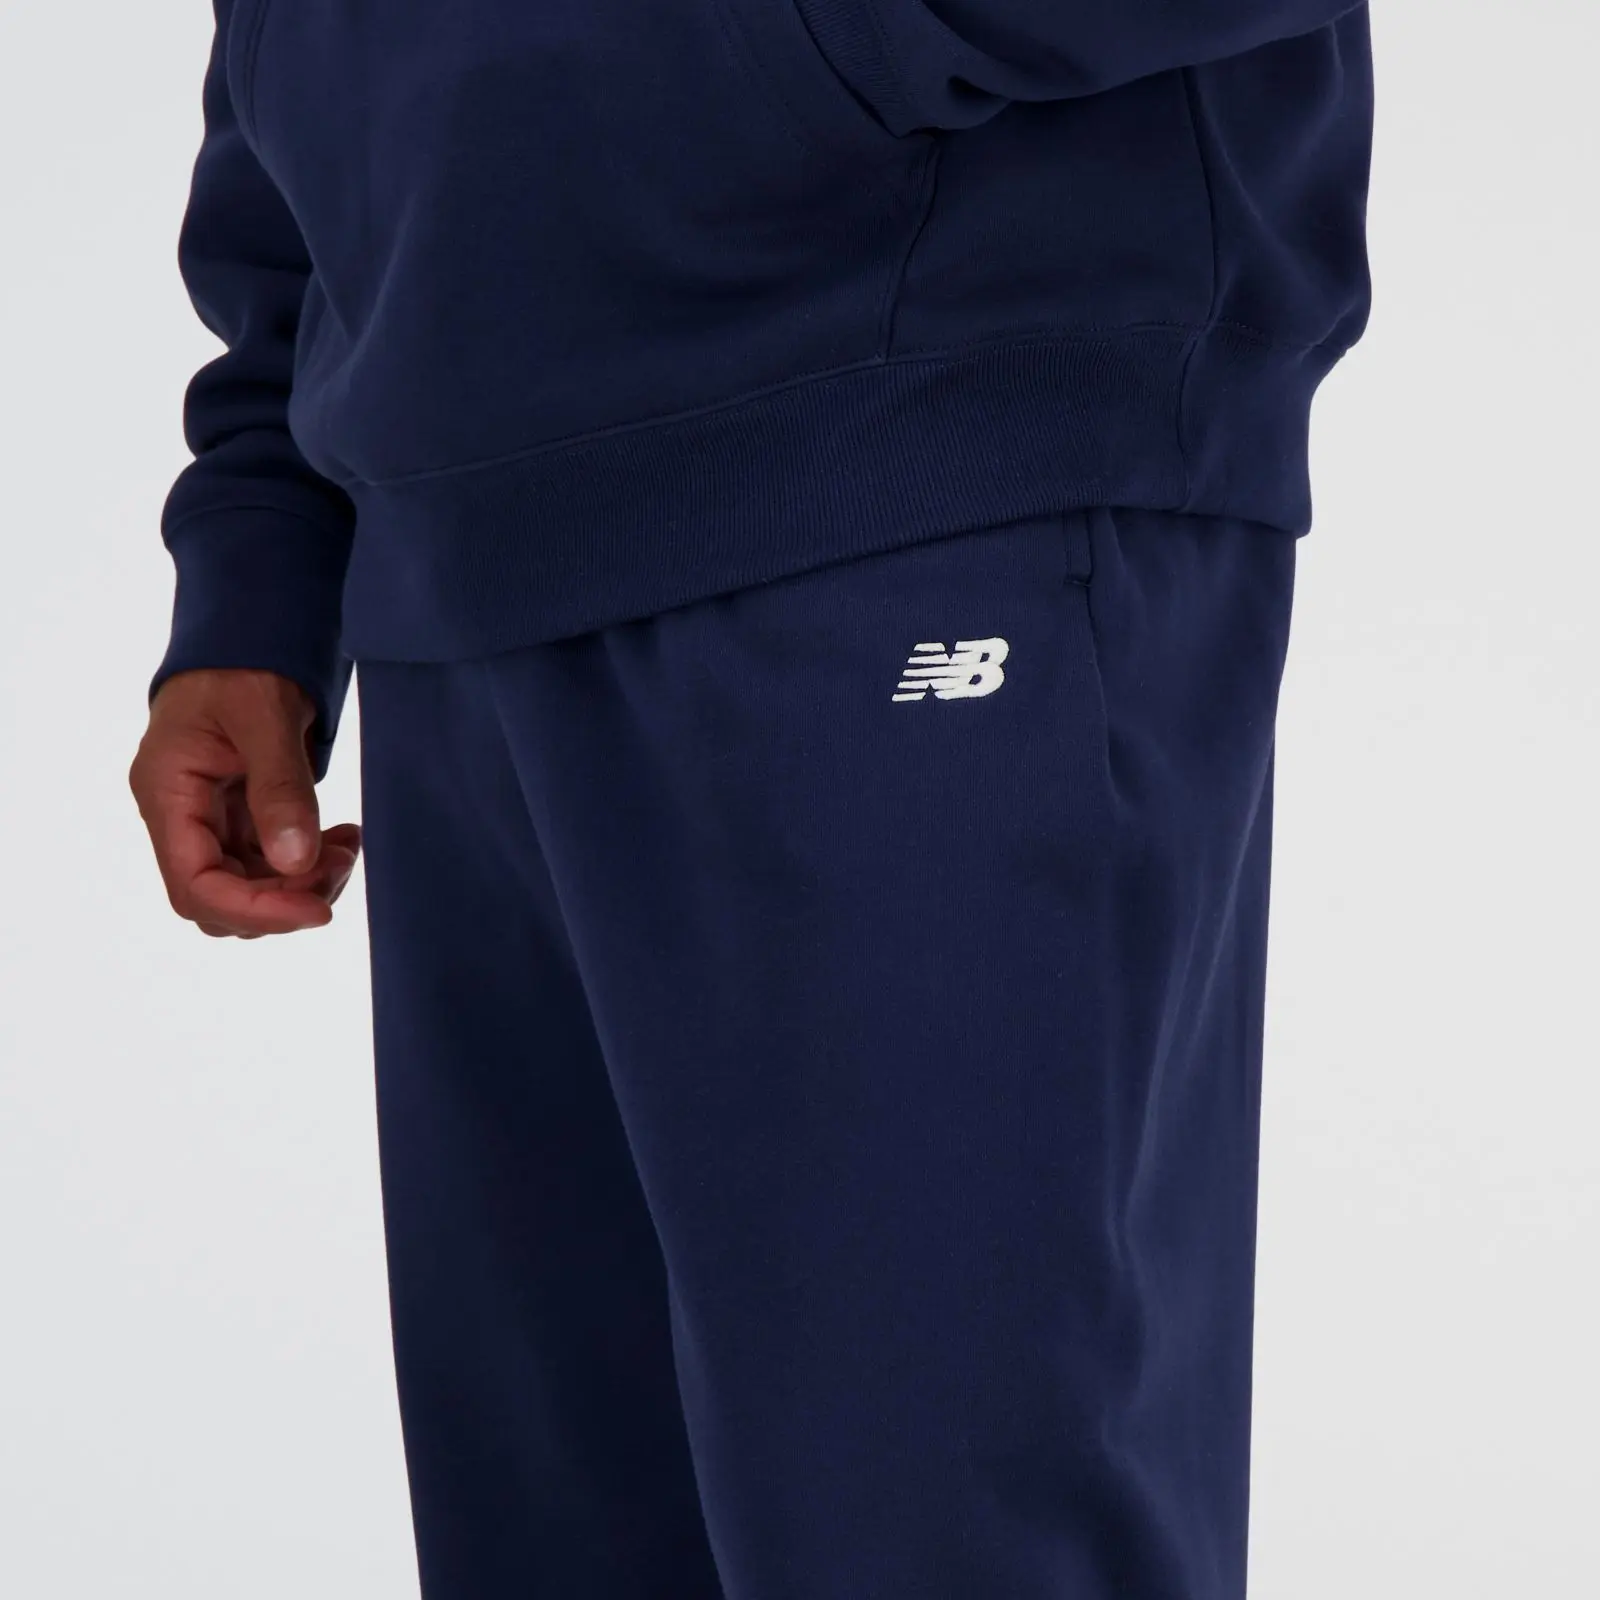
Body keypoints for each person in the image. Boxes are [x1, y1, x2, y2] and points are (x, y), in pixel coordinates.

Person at [128, 2, 1373, 1595]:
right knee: (565, 1551)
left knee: (944, 1538)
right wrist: (265, 556)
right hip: (455, 571)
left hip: (911, 456)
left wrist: (798, 50)